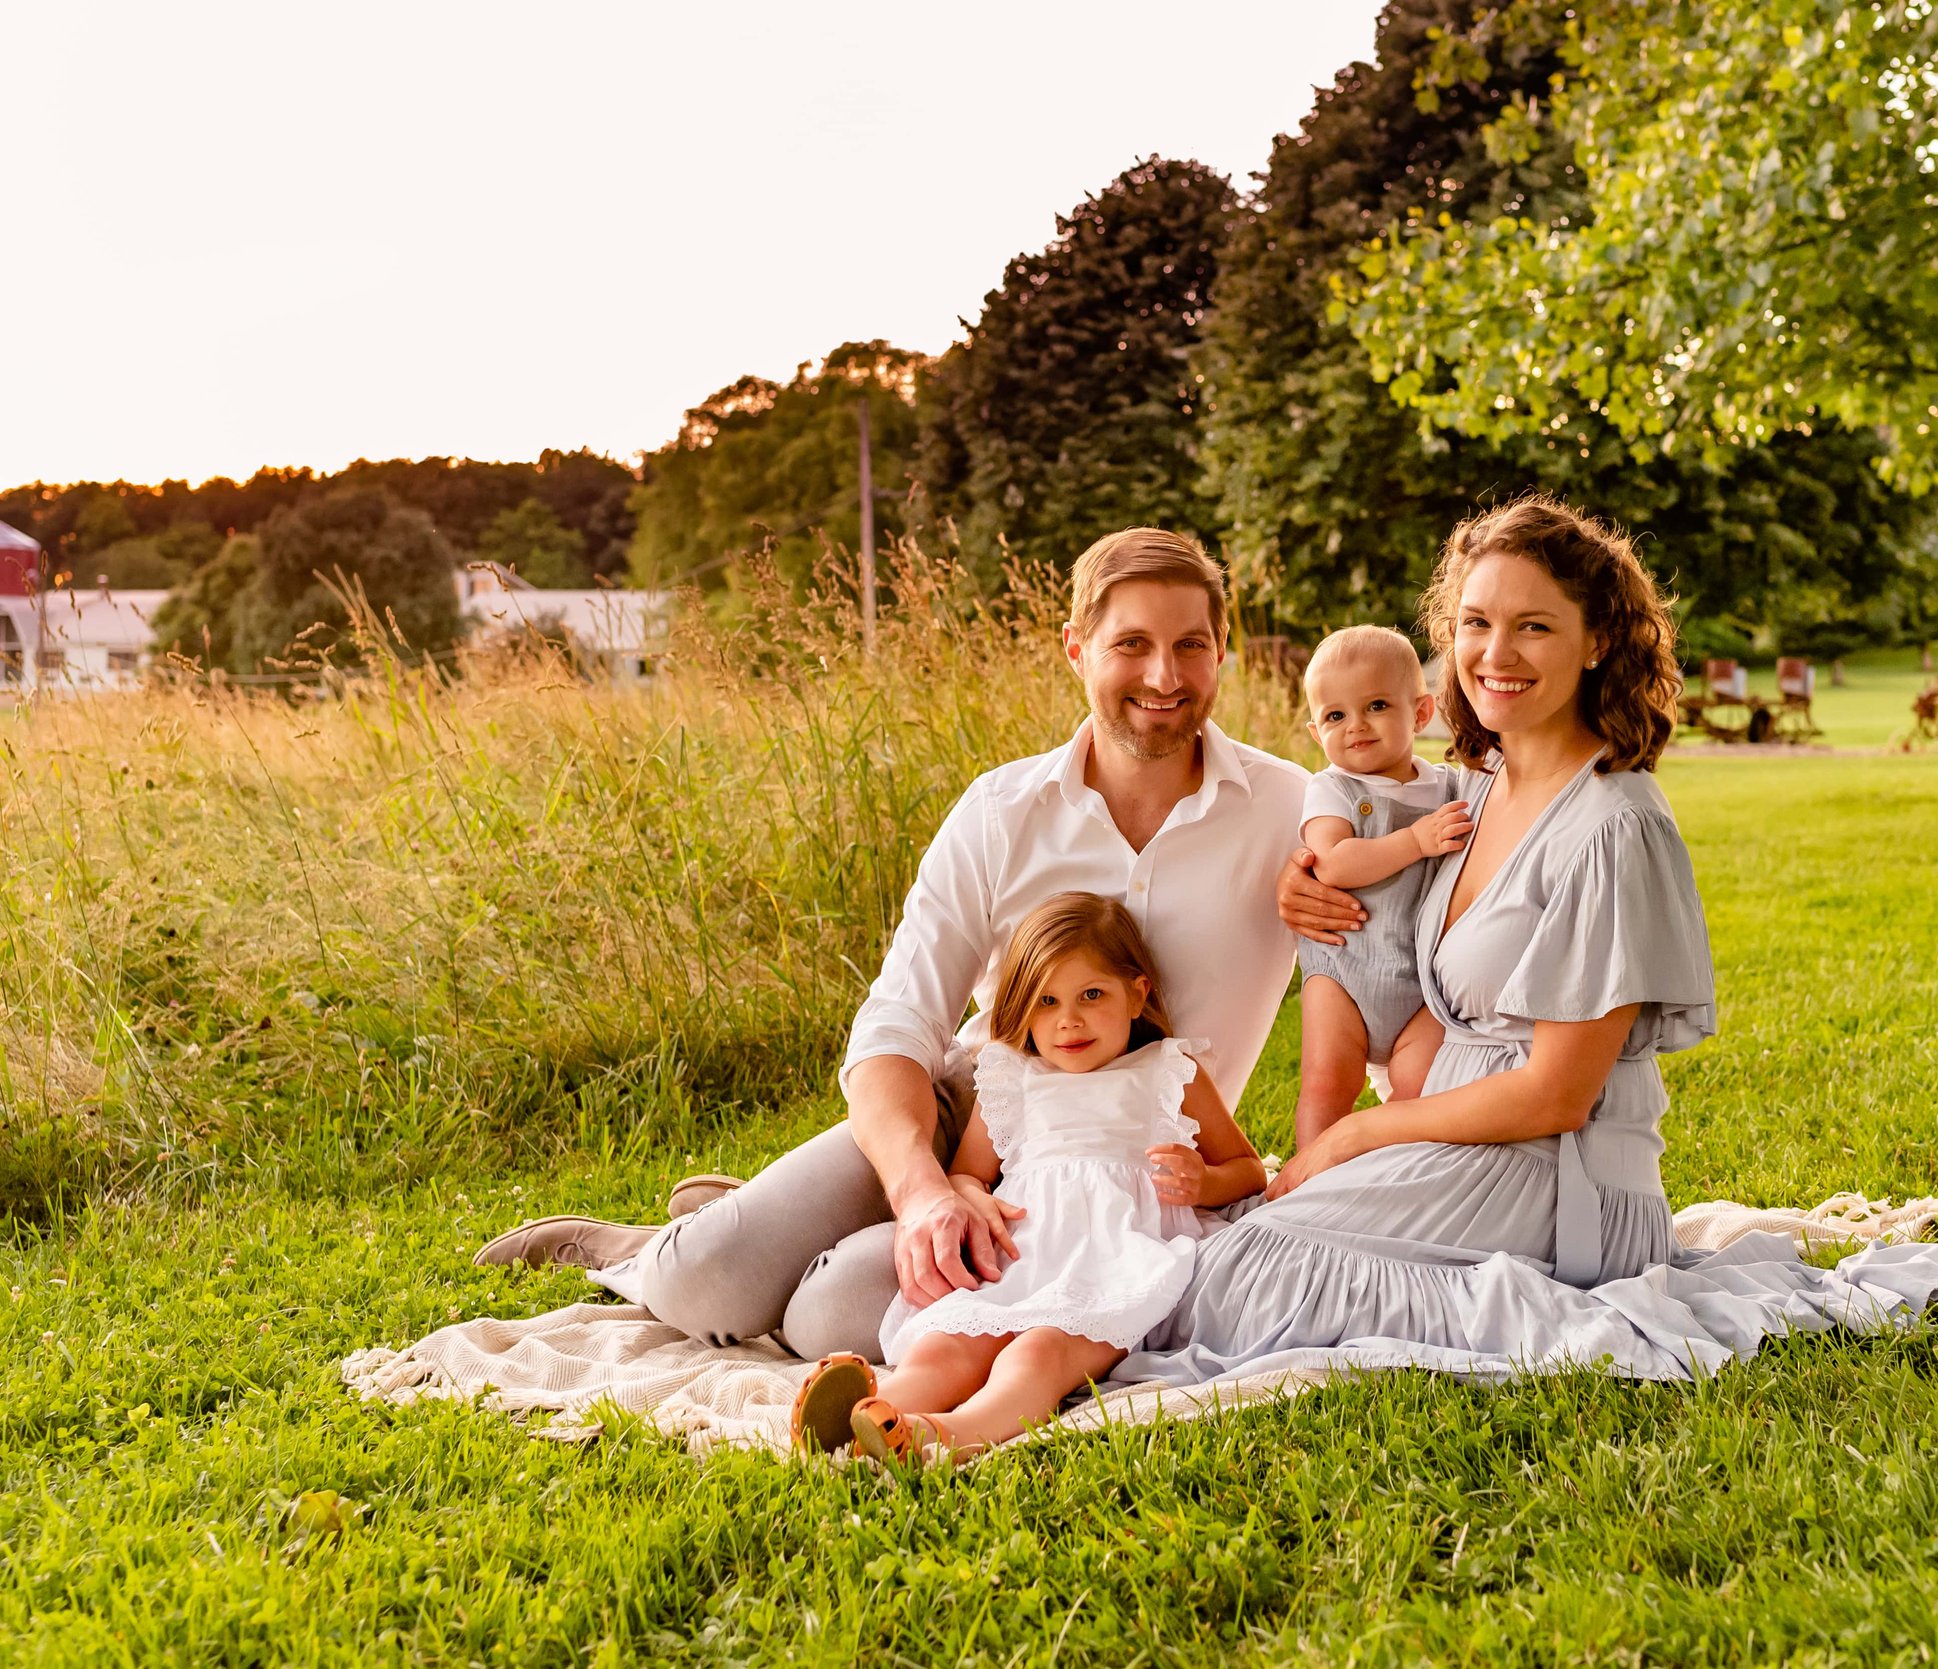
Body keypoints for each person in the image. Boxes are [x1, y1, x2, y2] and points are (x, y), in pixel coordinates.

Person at [1115, 495, 1938, 1388]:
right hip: (1448, 1149)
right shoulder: (1478, 787)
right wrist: (1309, 877)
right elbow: (1367, 827)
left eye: (1534, 625)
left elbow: (1556, 1094)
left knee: (1239, 1278)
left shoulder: (1614, 824)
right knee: (1221, 1243)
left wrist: (1356, 1136)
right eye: (1477, 623)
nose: (1497, 653)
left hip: (1553, 1179)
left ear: (1597, 638)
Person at [472, 528, 1310, 1363]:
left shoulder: (1292, 813)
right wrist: (921, 1192)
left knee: (835, 1316)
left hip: (1125, 1175)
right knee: (710, 1279)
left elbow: (1392, 985)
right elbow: (899, 1020)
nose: (1164, 677)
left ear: (1221, 651)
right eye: (1132, 644)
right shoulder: (1000, 811)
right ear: (1076, 649)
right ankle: (659, 1245)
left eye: (1189, 646)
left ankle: (769, 1220)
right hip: (972, 1113)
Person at [788, 892, 1266, 1464]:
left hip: (1114, 1261)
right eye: (1046, 1001)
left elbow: (1248, 1168)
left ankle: (949, 1435)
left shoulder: (1169, 1071)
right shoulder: (1012, 1079)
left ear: (1137, 993)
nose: (1069, 1019)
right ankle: (868, 1412)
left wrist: (1203, 1184)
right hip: (1020, 1254)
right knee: (947, 1346)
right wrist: (969, 1198)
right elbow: (967, 1175)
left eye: (1092, 994)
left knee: (1036, 1356)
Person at [1289, 625, 1469, 1151]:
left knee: (1417, 1089)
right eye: (1335, 716)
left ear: (1420, 712)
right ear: (1315, 732)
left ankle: (1373, 1168)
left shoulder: (1449, 786)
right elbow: (1334, 863)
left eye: (1376, 706)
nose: (1355, 726)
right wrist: (1415, 840)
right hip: (1344, 973)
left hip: (1423, 987)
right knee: (1327, 1083)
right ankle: (1308, 1179)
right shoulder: (1332, 788)